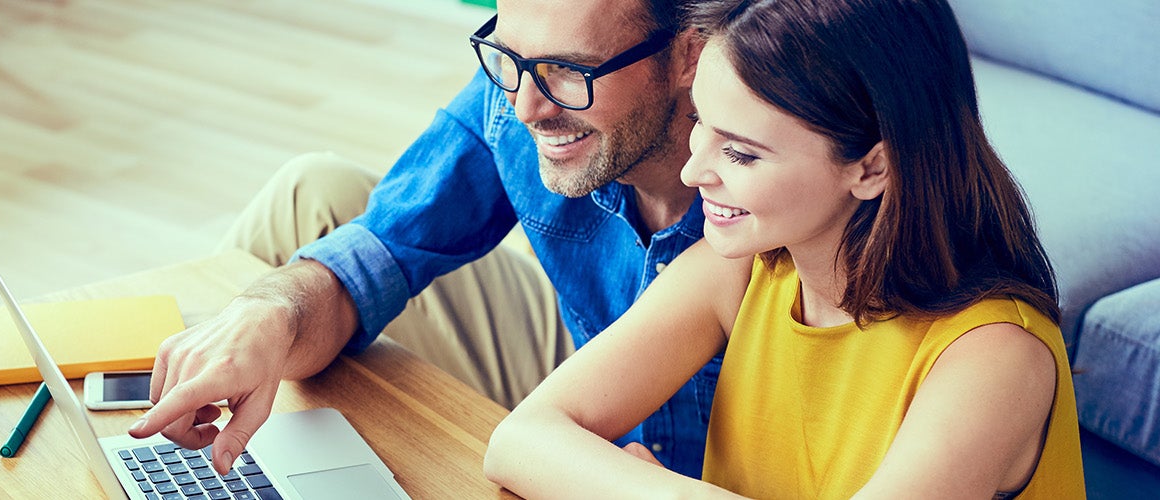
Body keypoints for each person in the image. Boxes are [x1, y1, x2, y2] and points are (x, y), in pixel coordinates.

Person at [484, 0, 1086, 497]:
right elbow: (520, 440)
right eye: (700, 124)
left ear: (871, 167)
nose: (693, 172)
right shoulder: (744, 272)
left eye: (741, 153)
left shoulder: (996, 358)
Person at [127, 0, 725, 478]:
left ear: (689, 54)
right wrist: (271, 313)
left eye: (570, 70)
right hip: (584, 366)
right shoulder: (519, 92)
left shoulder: (765, 177)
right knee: (314, 194)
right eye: (510, 56)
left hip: (721, 459)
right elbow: (385, 246)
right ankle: (190, 417)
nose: (526, 108)